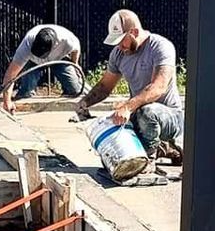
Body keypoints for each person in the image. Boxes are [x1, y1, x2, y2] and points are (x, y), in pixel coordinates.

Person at [78, 9, 184, 161]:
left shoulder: (160, 47)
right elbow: (104, 87)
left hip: (170, 117)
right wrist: (84, 103)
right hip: (138, 114)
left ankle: (148, 159)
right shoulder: (118, 54)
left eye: (122, 40)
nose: (120, 46)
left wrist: (127, 107)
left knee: (147, 112)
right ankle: (164, 148)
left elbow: (158, 88)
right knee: (110, 131)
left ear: (134, 31)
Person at [0, 24, 85, 112]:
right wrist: (7, 101)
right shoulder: (26, 44)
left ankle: (61, 106)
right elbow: (11, 75)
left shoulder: (68, 40)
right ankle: (25, 99)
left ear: (54, 46)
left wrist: (75, 64)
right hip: (32, 61)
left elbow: (76, 49)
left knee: (75, 91)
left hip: (59, 59)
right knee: (26, 92)